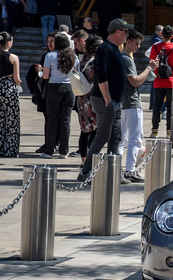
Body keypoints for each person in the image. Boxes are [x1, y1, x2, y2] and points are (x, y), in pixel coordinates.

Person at [77, 18, 132, 182]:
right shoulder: (105, 49)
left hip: (114, 101)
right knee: (102, 136)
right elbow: (101, 76)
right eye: (126, 32)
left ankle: (115, 173)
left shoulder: (113, 48)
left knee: (116, 136)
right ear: (118, 32)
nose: (127, 35)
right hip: (106, 100)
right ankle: (85, 172)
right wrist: (108, 99)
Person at [119, 29, 157, 183]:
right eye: (137, 43)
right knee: (135, 138)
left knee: (123, 138)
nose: (139, 47)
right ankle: (129, 170)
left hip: (122, 102)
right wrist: (149, 68)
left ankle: (119, 169)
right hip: (131, 102)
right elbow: (135, 81)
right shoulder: (126, 59)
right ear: (128, 41)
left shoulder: (123, 57)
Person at [39, 32, 77, 158]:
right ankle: (64, 151)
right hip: (70, 88)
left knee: (52, 120)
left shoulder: (50, 56)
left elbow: (45, 76)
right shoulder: (74, 57)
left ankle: (49, 150)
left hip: (54, 87)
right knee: (65, 120)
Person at [0, 31, 20, 156]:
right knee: (12, 120)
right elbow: (16, 78)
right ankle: (10, 149)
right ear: (8, 43)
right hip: (9, 89)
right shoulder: (13, 57)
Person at [75, 34, 101, 166]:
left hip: (81, 98)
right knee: (94, 130)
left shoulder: (82, 61)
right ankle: (90, 159)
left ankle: (84, 160)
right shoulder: (94, 62)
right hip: (92, 98)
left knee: (84, 130)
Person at [148, 24, 173, 139]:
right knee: (170, 107)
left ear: (161, 34)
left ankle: (155, 131)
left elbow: (151, 62)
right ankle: (169, 131)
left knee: (157, 106)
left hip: (158, 80)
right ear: (172, 36)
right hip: (170, 81)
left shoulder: (155, 47)